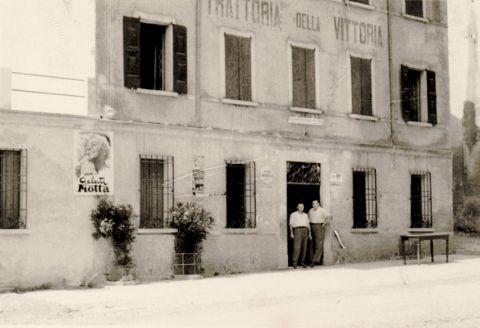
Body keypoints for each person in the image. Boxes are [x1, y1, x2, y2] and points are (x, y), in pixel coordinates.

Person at [308, 200, 331, 267]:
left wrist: (324, 223)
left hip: (319, 226)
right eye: (313, 204)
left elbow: (329, 216)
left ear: (318, 204)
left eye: (315, 204)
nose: (313, 205)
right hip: (311, 226)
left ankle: (315, 260)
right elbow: (308, 218)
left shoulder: (322, 210)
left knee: (319, 243)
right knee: (311, 243)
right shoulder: (310, 210)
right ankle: (310, 259)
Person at [289, 203, 311, 269]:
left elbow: (308, 224)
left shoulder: (305, 215)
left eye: (302, 207)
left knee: (304, 247)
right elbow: (290, 224)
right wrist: (291, 233)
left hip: (305, 230)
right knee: (297, 247)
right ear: (297, 207)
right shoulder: (293, 214)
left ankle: (302, 262)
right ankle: (295, 263)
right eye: (299, 207)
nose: (301, 208)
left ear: (303, 207)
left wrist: (309, 233)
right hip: (297, 230)